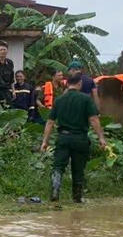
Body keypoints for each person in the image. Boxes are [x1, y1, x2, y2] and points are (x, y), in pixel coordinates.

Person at [40, 70, 108, 203]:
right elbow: (94, 119)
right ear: (80, 83)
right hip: (80, 139)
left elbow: (50, 122)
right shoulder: (86, 99)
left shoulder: (59, 100)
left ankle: (55, 190)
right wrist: (101, 138)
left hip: (63, 138)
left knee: (58, 166)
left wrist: (45, 141)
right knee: (78, 168)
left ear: (67, 83)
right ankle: (77, 198)